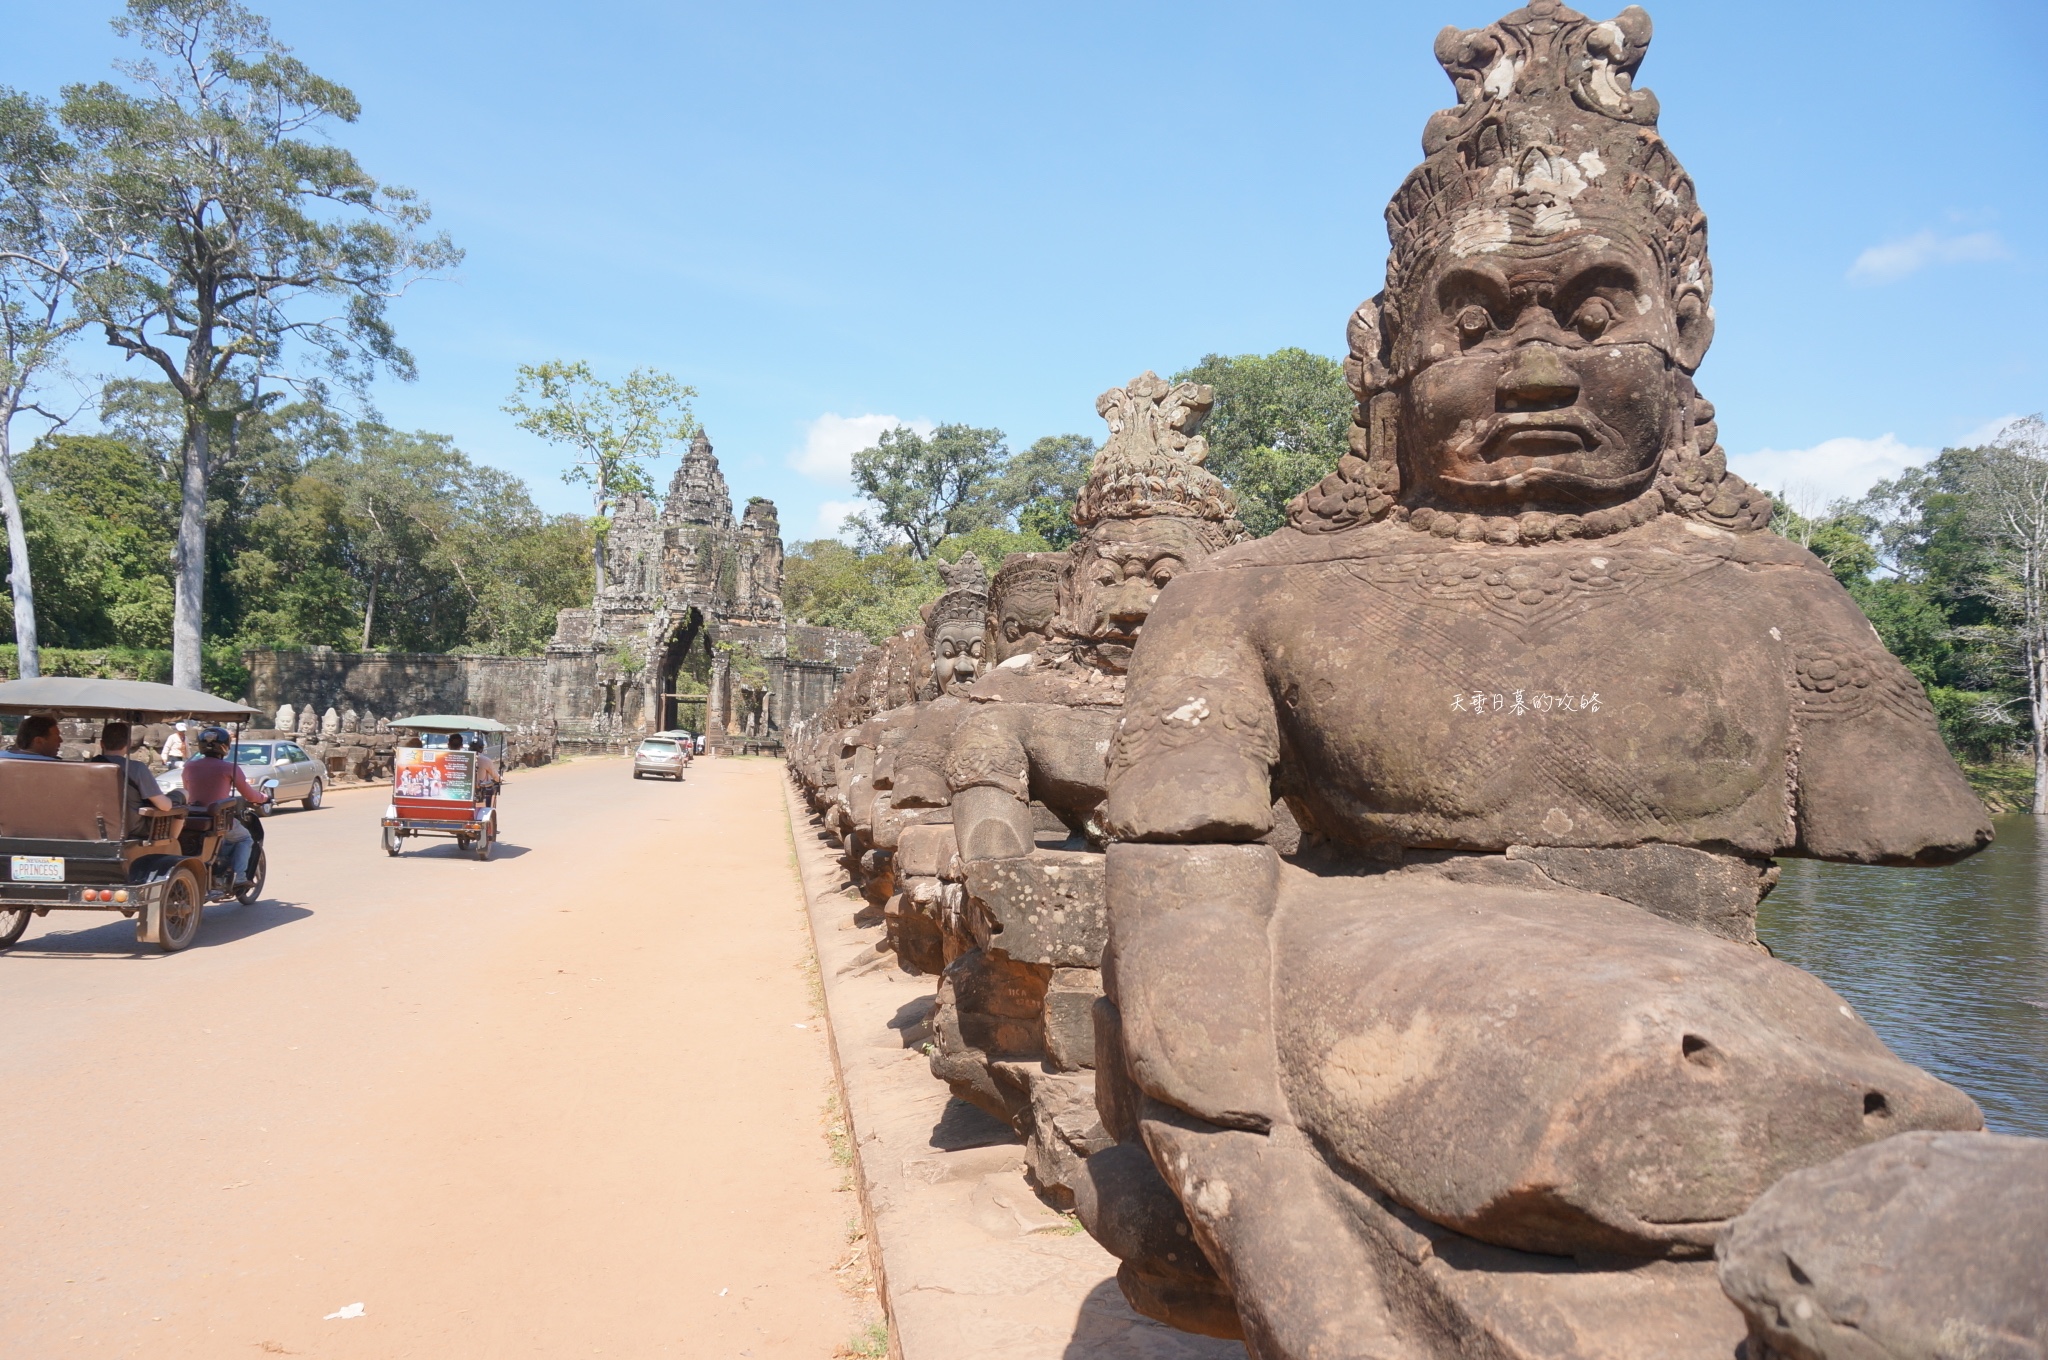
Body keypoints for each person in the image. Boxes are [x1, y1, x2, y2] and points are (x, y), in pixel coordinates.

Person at [180, 726, 269, 888]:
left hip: (192, 816)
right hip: (217, 819)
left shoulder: (189, 766)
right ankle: (240, 877)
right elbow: (249, 795)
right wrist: (264, 798)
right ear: (225, 746)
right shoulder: (229, 768)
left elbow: (188, 789)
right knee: (244, 838)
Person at [91, 722, 181, 837]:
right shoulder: (136, 768)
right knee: (181, 794)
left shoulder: (86, 767)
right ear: (128, 744)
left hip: (92, 826)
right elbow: (164, 806)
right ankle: (173, 843)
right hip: (132, 828)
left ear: (101, 744)